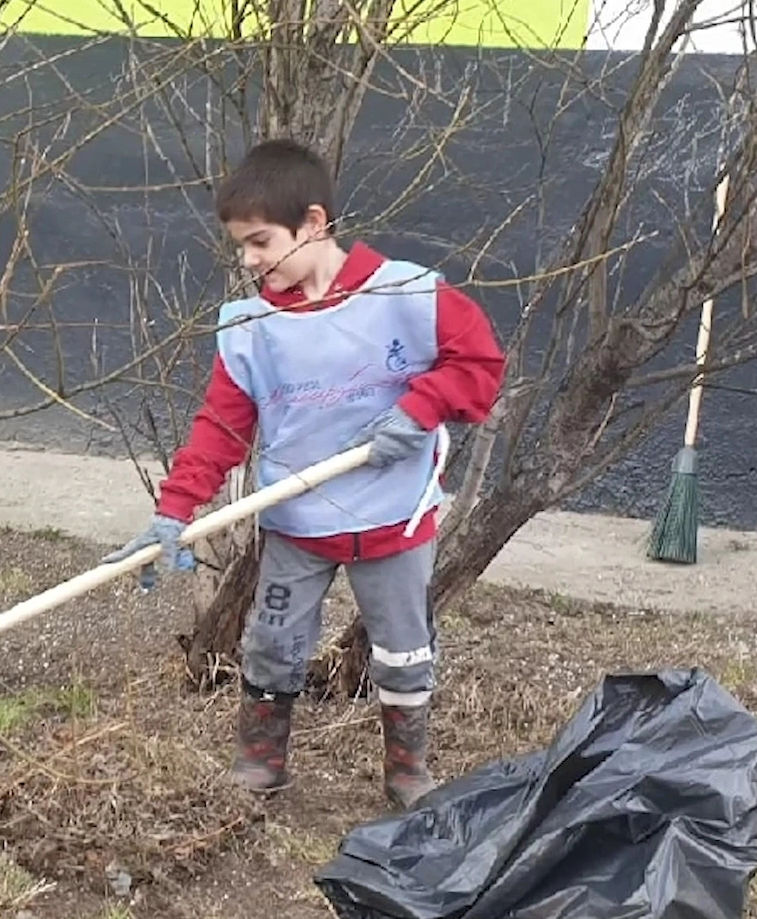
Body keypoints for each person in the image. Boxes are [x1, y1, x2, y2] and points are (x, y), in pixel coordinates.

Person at [106, 138, 506, 810]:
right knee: (273, 643)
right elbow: (220, 430)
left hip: (393, 518)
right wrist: (173, 513)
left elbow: (480, 369)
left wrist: (423, 405)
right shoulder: (253, 328)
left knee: (404, 650)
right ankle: (262, 761)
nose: (249, 259)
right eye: (241, 245)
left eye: (260, 241)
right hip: (298, 522)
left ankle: (407, 770)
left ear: (314, 223)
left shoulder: (408, 295)